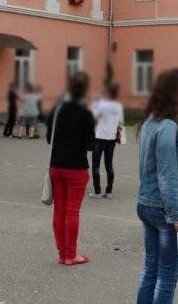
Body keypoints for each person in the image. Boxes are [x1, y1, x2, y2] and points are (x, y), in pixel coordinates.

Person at [136, 68, 178, 304]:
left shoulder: (151, 122)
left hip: (147, 205)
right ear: (174, 94)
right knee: (167, 276)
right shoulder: (167, 127)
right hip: (166, 212)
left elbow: (170, 167)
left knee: (151, 269)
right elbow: (165, 176)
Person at [47, 72, 95, 266]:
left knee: (59, 210)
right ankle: (71, 255)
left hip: (56, 165)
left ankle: (62, 254)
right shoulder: (85, 112)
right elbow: (90, 145)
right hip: (76, 167)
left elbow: (49, 138)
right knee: (72, 210)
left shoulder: (57, 109)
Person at [89, 84, 124, 199]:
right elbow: (121, 121)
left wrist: (95, 103)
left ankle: (97, 192)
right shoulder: (118, 106)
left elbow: (92, 116)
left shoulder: (102, 105)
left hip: (99, 137)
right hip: (111, 139)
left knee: (96, 165)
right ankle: (109, 191)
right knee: (109, 165)